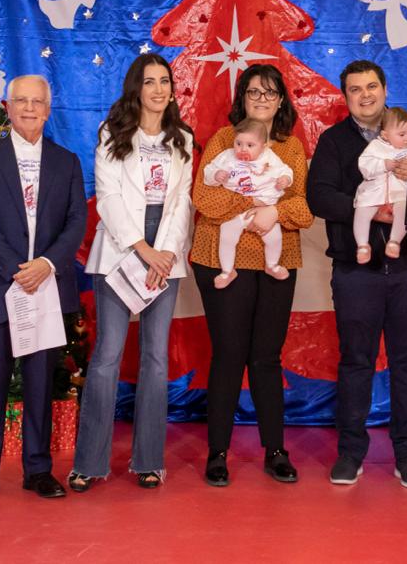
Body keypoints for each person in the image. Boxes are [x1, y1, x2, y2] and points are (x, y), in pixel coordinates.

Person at [307, 60, 407, 489]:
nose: (365, 95)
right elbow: (318, 196)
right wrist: (370, 210)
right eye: (355, 89)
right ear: (346, 96)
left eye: (372, 86)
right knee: (355, 361)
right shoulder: (335, 141)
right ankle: (350, 453)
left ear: (385, 88)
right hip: (356, 269)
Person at [0, 74, 87, 502]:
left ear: (48, 110)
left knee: (39, 384)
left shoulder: (67, 162)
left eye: (37, 102)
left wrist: (46, 265)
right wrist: (17, 269)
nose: (29, 109)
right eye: (21, 101)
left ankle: (38, 469)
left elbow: (75, 222)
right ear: (8, 108)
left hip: (46, 287)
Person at [68, 54, 194, 492]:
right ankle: (89, 462)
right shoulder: (113, 134)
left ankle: (149, 461)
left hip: (166, 252)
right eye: (149, 82)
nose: (158, 89)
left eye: (165, 82)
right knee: (107, 357)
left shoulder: (183, 139)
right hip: (120, 252)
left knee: (156, 359)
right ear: (135, 88)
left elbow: (182, 204)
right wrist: (141, 249)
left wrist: (164, 253)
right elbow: (107, 197)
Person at [191, 64, 313, 486]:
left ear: (281, 101)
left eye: (270, 93)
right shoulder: (224, 140)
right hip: (219, 258)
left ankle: (275, 449)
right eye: (253, 93)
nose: (261, 100)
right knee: (227, 356)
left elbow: (302, 208)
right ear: (241, 98)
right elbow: (204, 195)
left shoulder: (292, 148)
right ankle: (218, 452)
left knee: (266, 358)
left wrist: (273, 211)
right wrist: (249, 209)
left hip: (275, 264)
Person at [203, 117, 293, 287]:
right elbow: (209, 170)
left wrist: (285, 179)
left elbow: (285, 170)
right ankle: (227, 271)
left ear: (264, 145)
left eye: (250, 145)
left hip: (265, 207)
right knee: (227, 235)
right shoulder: (227, 157)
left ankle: (272, 265)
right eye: (238, 143)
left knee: (274, 236)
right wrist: (216, 175)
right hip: (235, 209)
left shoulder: (269, 157)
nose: (242, 149)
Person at [353, 107, 407, 263]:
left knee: (405, 211)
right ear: (385, 135)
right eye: (401, 134)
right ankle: (362, 245)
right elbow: (364, 165)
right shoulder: (375, 147)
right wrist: (384, 165)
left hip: (401, 193)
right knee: (362, 210)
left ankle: (394, 241)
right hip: (375, 192)